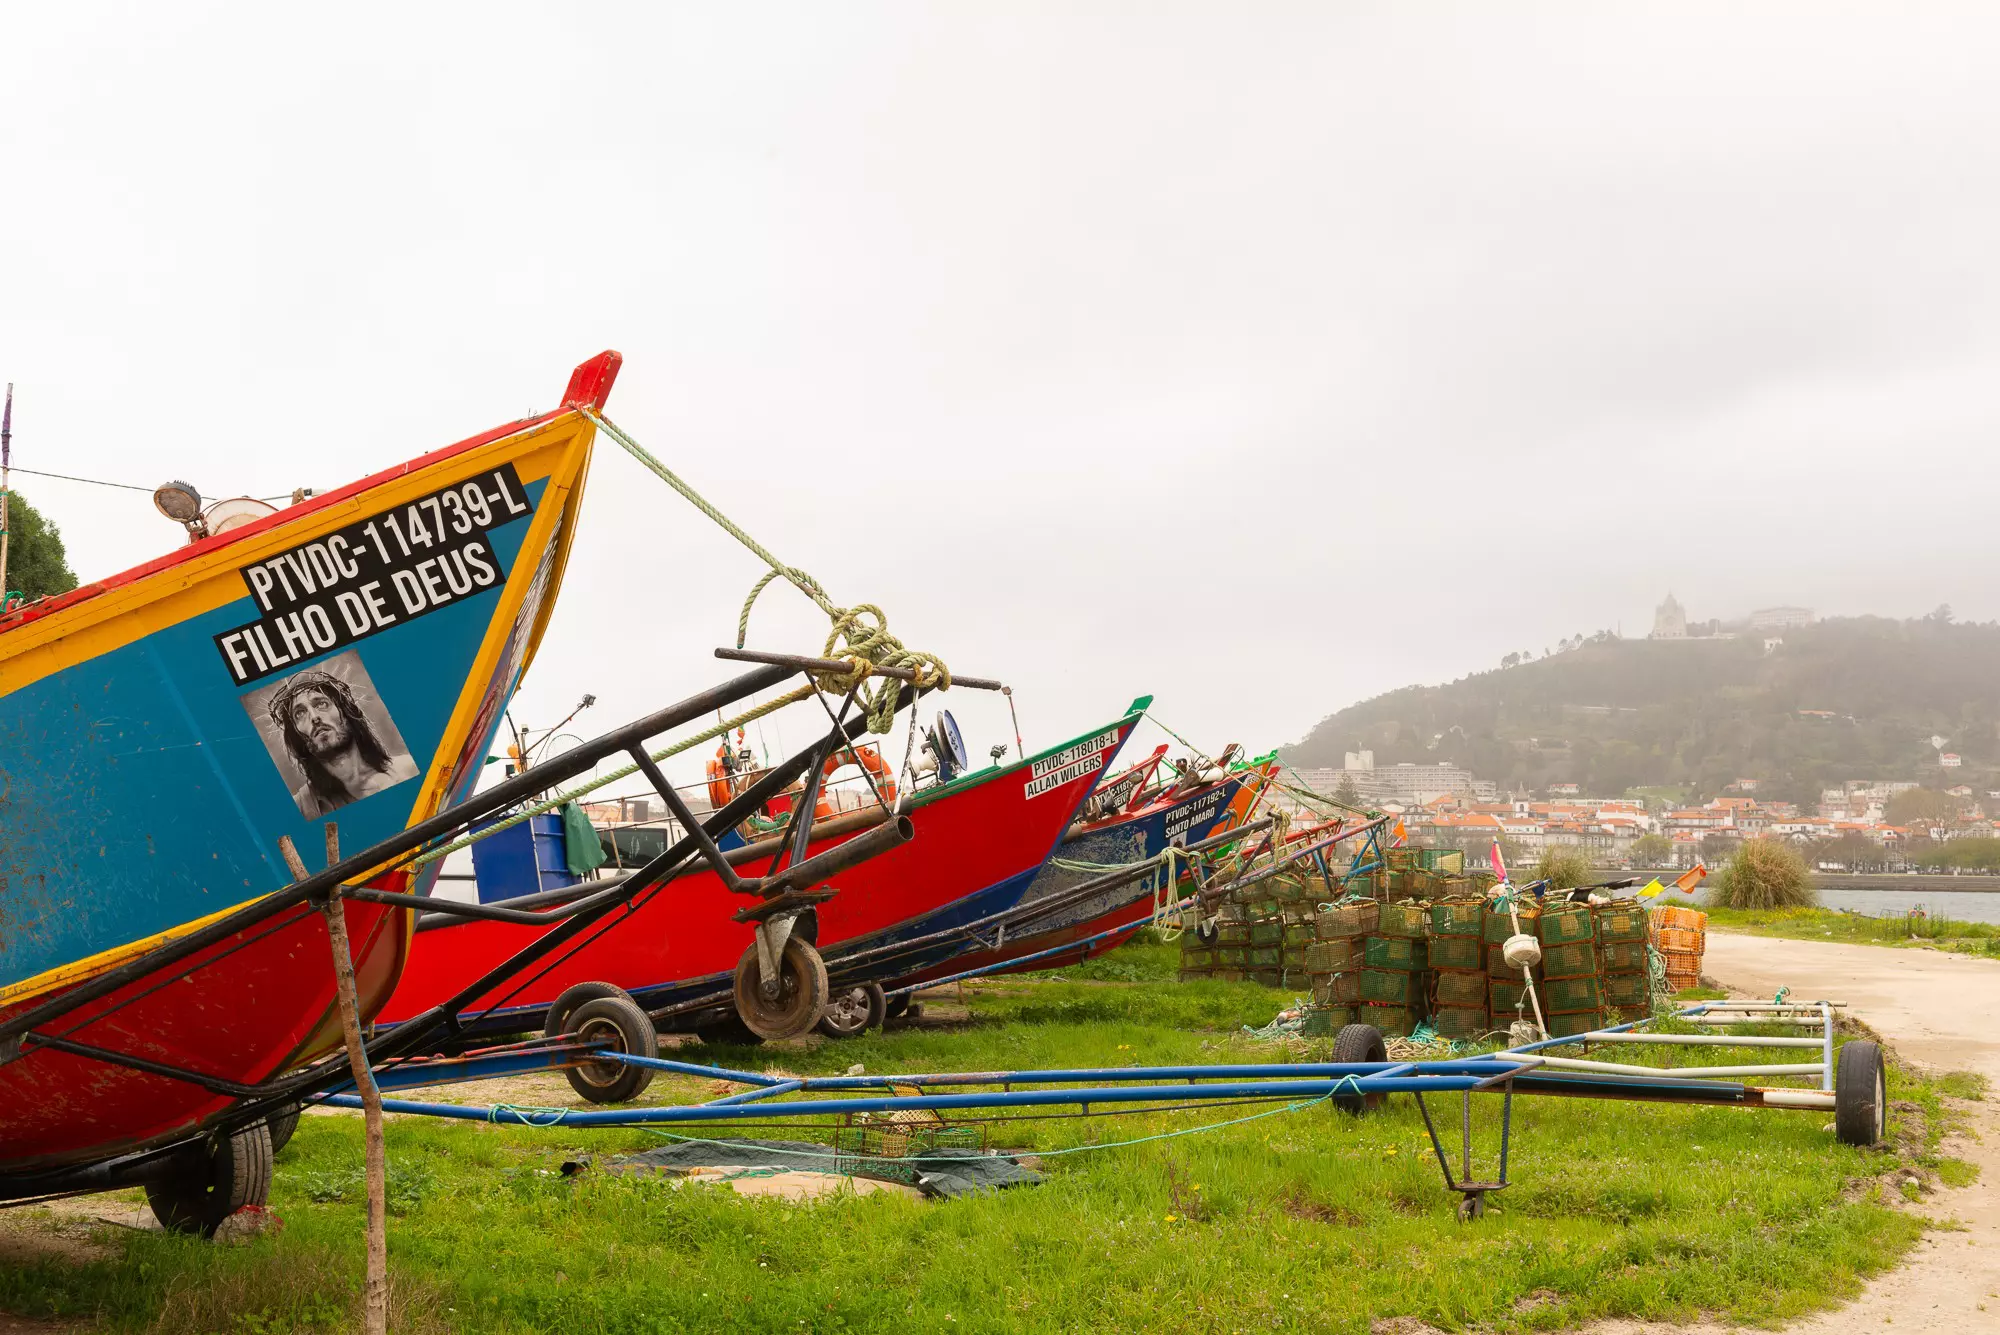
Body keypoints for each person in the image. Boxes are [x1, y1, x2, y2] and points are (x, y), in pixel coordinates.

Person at [268, 669, 419, 818]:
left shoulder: (408, 770)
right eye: (300, 714)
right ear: (299, 738)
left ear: (347, 714)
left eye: (321, 704)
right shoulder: (301, 808)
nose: (314, 717)